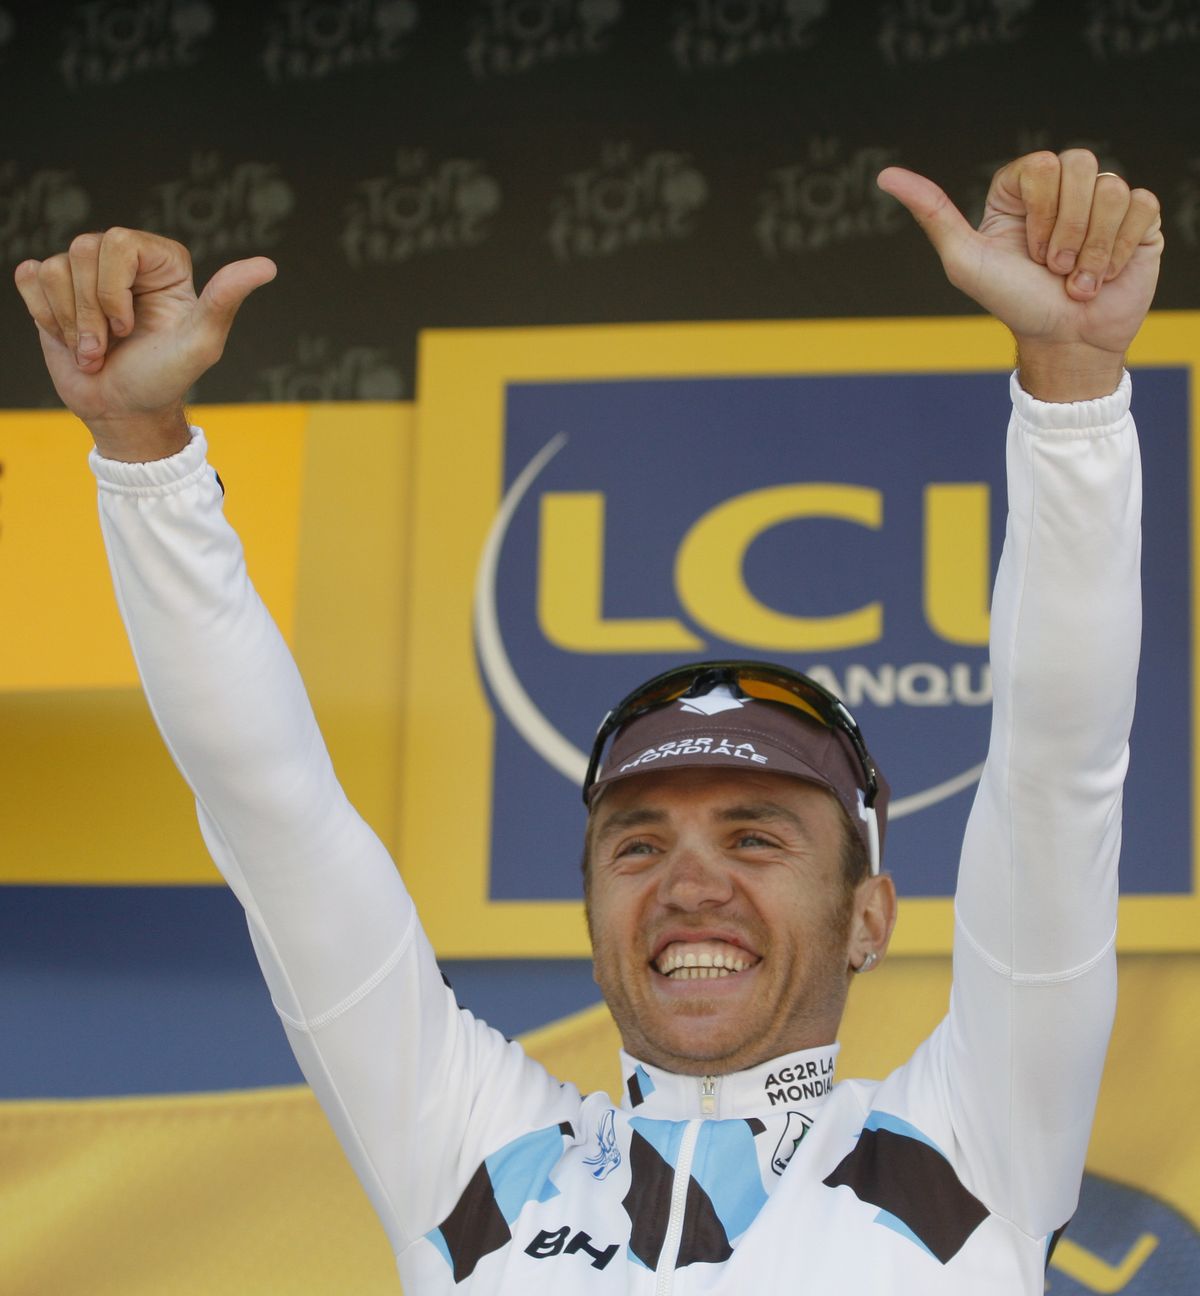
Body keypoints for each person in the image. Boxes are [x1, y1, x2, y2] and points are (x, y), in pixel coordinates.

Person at [15, 148, 1161, 1293]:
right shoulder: (473, 1155)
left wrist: (1069, 388)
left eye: (757, 836)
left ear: (870, 916)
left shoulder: (968, 1149)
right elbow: (272, 814)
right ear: (594, 903)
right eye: (639, 843)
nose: (689, 883)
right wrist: (142, 452)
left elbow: (1060, 770)